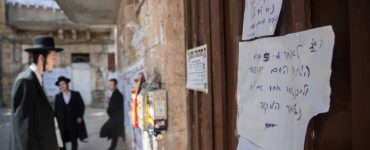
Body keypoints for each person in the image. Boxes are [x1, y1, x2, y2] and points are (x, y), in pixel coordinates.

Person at [9, 35, 64, 150]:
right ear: (41, 58)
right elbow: (22, 131)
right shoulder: (25, 81)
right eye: (53, 57)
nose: (56, 61)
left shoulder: (37, 79)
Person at [54, 76, 88, 150]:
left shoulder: (76, 94)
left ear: (67, 84)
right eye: (60, 85)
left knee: (74, 140)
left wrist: (80, 116)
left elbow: (81, 106)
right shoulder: (58, 97)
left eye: (63, 84)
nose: (61, 86)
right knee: (62, 141)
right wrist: (56, 123)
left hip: (73, 122)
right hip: (62, 123)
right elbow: (56, 111)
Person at [100, 79, 125, 150]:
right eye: (109, 84)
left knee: (106, 130)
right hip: (115, 118)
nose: (109, 86)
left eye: (111, 84)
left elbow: (112, 109)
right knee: (115, 134)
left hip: (116, 119)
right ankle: (112, 147)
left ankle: (112, 147)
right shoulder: (115, 93)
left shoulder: (117, 94)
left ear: (115, 85)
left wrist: (108, 106)